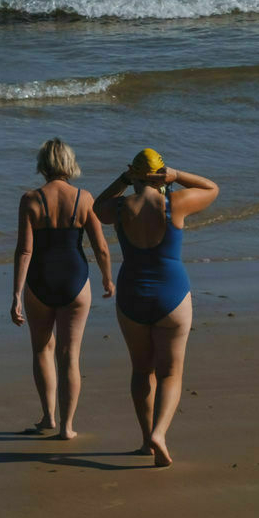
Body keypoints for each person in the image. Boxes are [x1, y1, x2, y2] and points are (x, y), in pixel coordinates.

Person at [96, 146, 220, 466]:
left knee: (142, 370)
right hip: (171, 295)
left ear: (135, 174)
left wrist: (124, 179)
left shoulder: (120, 208)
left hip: (132, 295)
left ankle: (145, 441)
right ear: (162, 175)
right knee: (170, 373)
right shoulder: (175, 204)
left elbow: (97, 207)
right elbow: (212, 188)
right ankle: (160, 433)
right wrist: (177, 175)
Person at [9, 139, 115, 440]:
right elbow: (101, 247)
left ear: (43, 164)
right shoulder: (84, 199)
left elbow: (24, 251)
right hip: (75, 280)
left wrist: (16, 294)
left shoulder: (30, 199)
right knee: (70, 356)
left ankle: (48, 418)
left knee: (42, 349)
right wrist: (107, 279)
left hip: (39, 281)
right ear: (69, 163)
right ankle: (68, 427)